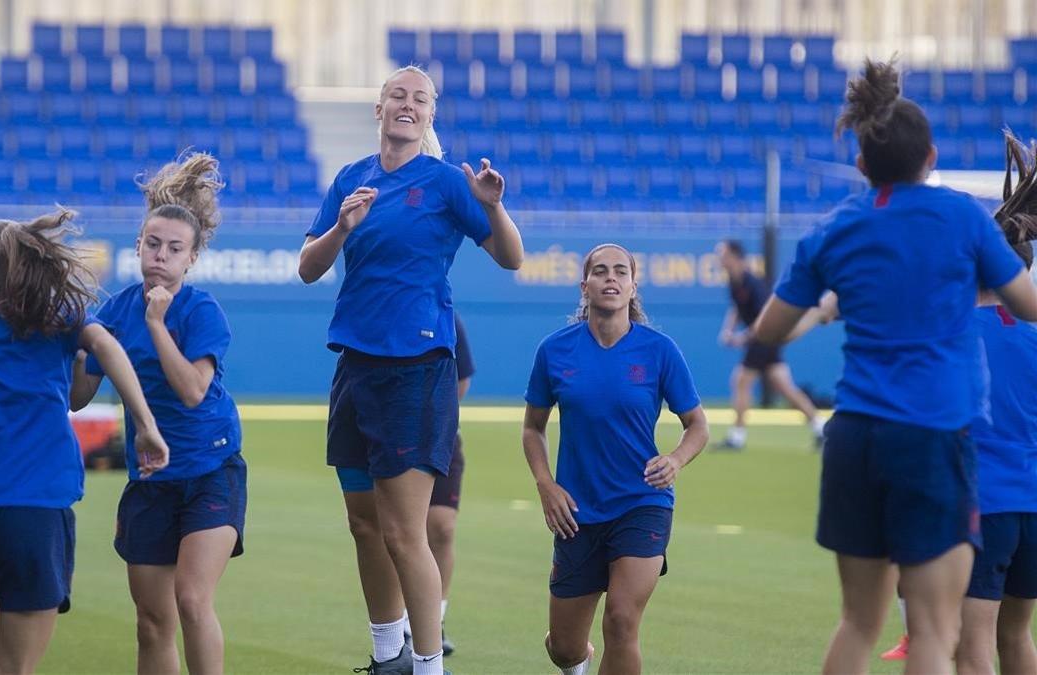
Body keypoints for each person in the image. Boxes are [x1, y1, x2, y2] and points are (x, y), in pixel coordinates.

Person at [750, 59, 1037, 675]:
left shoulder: (833, 230)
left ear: (860, 165)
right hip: (933, 437)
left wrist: (830, 306)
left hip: (854, 437)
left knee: (858, 622)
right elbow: (1026, 304)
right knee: (936, 631)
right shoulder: (962, 217)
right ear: (931, 156)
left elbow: (766, 334)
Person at [297, 64, 524, 675]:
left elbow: (511, 257)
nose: (407, 104)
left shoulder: (447, 182)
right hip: (355, 366)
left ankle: (428, 666)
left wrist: (494, 208)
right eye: (397, 95)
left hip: (416, 371)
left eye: (419, 99)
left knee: (404, 531)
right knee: (363, 523)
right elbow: (308, 268)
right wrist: (341, 229)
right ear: (378, 108)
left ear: (429, 116)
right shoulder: (350, 179)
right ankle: (387, 654)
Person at [0, 209, 169, 675]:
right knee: (15, 666)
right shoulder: (58, 323)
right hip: (38, 509)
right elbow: (107, 348)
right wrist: (145, 423)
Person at [70, 154, 246, 675]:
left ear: (191, 258)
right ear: (138, 246)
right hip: (151, 478)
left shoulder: (200, 310)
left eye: (174, 249)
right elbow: (77, 397)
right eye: (152, 244)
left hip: (212, 472)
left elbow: (193, 391)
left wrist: (157, 324)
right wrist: (80, 340)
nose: (160, 256)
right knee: (152, 620)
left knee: (191, 600)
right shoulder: (115, 311)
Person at [522, 243, 709, 675]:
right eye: (601, 271)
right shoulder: (555, 351)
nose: (611, 278)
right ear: (583, 285)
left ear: (632, 286)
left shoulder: (660, 351)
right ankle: (577, 660)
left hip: (642, 503)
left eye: (620, 272)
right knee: (564, 648)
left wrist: (677, 460)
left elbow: (697, 426)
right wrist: (546, 485)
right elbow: (532, 427)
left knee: (622, 621)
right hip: (576, 512)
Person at [954, 131, 1037, 675]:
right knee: (1018, 633)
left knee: (972, 637)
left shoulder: (955, 334)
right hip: (1035, 501)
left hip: (983, 502)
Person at [715, 239, 824, 449]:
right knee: (785, 388)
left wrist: (742, 337)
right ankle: (821, 428)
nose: (720, 259)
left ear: (735, 257)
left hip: (764, 339)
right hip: (760, 340)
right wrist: (728, 330)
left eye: (723, 254)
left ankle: (737, 437)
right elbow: (737, 308)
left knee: (741, 381)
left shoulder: (753, 283)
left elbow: (766, 318)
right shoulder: (733, 282)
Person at [424, 311, 475, 657]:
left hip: (439, 438)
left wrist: (438, 418)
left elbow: (462, 377)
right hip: (390, 436)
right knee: (395, 533)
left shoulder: (447, 317)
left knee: (440, 527)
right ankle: (399, 627)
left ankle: (433, 621)